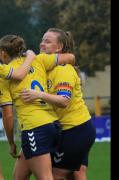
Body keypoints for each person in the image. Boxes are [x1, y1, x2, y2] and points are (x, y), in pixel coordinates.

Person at [21, 28, 96, 180]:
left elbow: (64, 101)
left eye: (47, 41)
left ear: (59, 47)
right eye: (42, 40)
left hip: (75, 130)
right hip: (63, 130)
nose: (42, 44)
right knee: (76, 174)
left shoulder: (62, 70)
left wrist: (38, 94)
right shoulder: (45, 67)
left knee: (54, 176)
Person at [0, 34, 75, 180]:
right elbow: (70, 57)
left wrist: (11, 143)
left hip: (34, 128)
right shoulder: (39, 60)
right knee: (19, 176)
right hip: (53, 126)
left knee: (45, 177)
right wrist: (31, 56)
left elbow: (8, 115)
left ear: (3, 53)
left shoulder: (4, 76)